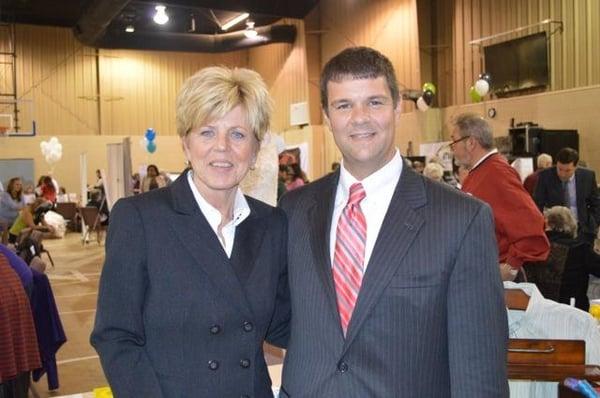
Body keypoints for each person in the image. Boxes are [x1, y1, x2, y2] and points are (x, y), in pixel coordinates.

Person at [278, 47, 508, 397]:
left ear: (398, 106)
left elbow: (478, 370)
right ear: (326, 116)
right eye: (343, 105)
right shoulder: (293, 210)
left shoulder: (461, 220)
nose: (359, 118)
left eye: (374, 102)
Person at [90, 66, 290, 398]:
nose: (222, 147)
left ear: (255, 151)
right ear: (186, 144)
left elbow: (285, 324)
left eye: (238, 134)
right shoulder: (141, 219)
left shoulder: (272, 225)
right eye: (207, 132)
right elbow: (115, 336)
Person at [450, 113, 550, 281]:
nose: (452, 149)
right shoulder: (481, 172)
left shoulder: (497, 173)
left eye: (454, 142)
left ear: (471, 142)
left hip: (496, 278)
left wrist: (510, 267)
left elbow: (532, 223)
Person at [534, 147, 600, 244]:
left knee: (584, 257)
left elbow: (596, 203)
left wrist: (593, 224)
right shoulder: (545, 176)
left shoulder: (588, 176)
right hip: (555, 232)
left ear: (576, 166)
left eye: (568, 170)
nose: (563, 174)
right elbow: (537, 204)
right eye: (560, 169)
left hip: (583, 230)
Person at [543, 206, 600, 311]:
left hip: (539, 311)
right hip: (573, 311)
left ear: (547, 224)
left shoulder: (536, 248)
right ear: (572, 225)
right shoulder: (580, 249)